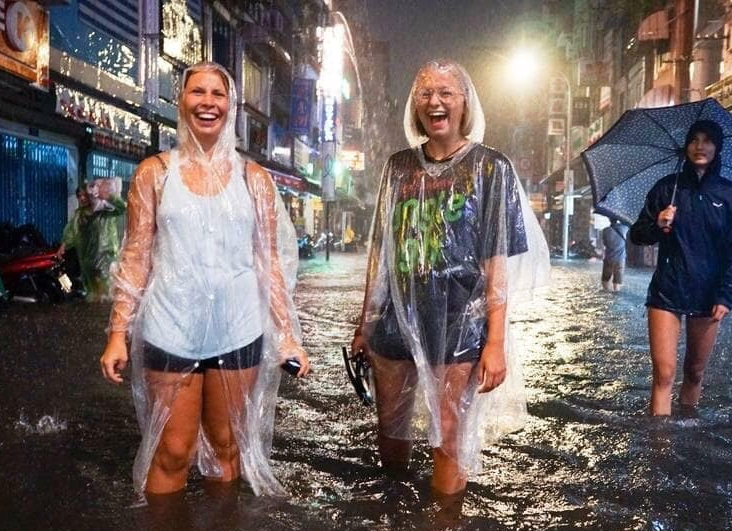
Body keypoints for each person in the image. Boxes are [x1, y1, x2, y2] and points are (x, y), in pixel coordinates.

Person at [99, 61, 309, 498]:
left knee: (225, 447)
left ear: (231, 106)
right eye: (198, 92)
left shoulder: (255, 180)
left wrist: (288, 336)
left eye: (218, 94)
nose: (208, 102)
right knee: (173, 451)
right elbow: (135, 257)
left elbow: (270, 263)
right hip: (169, 328)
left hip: (239, 330)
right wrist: (118, 333)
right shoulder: (154, 173)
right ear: (181, 101)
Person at [350, 59, 549, 503]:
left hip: (460, 319)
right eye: (425, 93)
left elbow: (497, 262)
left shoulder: (491, 168)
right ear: (415, 107)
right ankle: (395, 513)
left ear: (464, 103)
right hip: (395, 320)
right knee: (390, 427)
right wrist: (365, 323)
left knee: (449, 430)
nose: (435, 101)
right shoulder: (397, 167)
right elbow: (380, 253)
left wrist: (495, 341)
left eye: (446, 92)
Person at [629, 119, 732, 416]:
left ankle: (689, 435)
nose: (700, 146)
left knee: (694, 371)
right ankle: (660, 448)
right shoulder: (667, 189)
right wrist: (658, 224)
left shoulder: (730, 195)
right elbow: (637, 235)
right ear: (686, 145)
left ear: (717, 147)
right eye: (694, 139)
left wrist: (725, 295)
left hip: (708, 293)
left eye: (707, 140)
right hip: (667, 289)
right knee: (664, 374)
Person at [58, 179, 125, 301]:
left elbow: (121, 208)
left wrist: (109, 197)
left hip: (105, 259)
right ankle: (94, 314)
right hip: (88, 262)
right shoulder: (79, 215)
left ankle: (103, 315)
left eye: (85, 195)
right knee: (92, 293)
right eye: (79, 196)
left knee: (106, 292)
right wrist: (64, 245)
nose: (82, 198)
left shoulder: (104, 211)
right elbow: (71, 232)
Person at [600, 216, 628, 291]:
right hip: (620, 259)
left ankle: (607, 293)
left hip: (609, 258)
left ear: (609, 220)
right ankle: (616, 295)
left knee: (605, 280)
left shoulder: (605, 230)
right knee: (617, 282)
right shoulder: (624, 229)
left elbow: (604, 243)